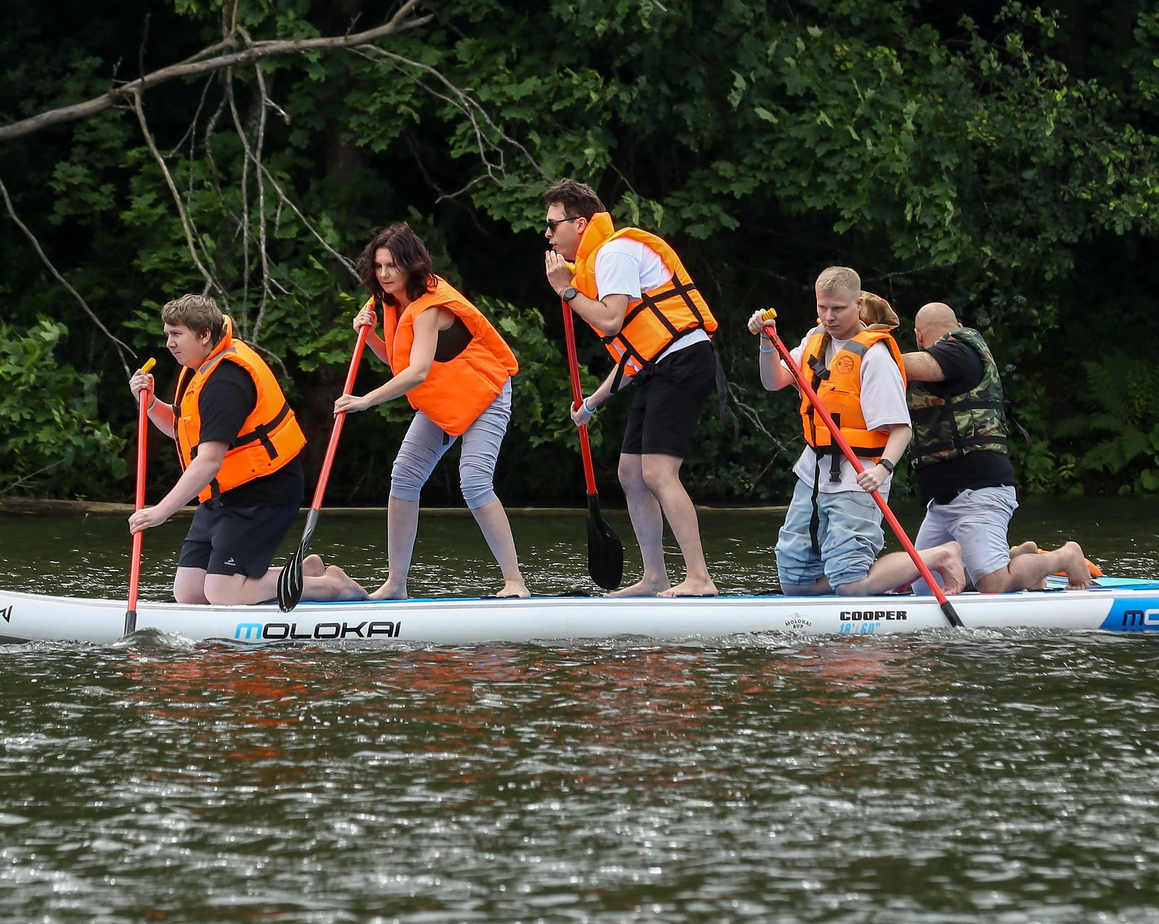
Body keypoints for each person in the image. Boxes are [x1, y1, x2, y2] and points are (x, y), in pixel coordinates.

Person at [541, 180, 720, 597]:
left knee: (657, 471)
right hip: (658, 365)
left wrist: (565, 290)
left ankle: (699, 578)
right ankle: (654, 577)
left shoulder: (614, 252)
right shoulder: (599, 261)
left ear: (581, 223)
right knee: (629, 473)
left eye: (553, 225)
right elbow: (634, 353)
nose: (548, 235)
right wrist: (591, 403)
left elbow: (610, 321)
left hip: (683, 360)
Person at [128, 294, 366, 606]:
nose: (169, 343)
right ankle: (304, 573)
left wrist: (160, 511)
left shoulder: (225, 382)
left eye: (176, 334)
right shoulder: (200, 368)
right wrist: (149, 404)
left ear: (204, 336)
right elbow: (180, 430)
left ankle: (330, 586)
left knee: (222, 592)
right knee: (189, 593)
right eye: (167, 334)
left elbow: (209, 461)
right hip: (223, 494)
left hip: (263, 491)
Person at [336, 223, 531, 600]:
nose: (385, 275)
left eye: (392, 265)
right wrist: (372, 334)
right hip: (445, 399)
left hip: (485, 394)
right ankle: (396, 584)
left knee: (474, 481)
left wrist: (364, 400)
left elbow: (418, 372)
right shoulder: (396, 304)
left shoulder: (430, 307)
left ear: (411, 265)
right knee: (404, 478)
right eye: (378, 267)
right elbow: (399, 362)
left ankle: (515, 583)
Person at [747, 270, 968, 598]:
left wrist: (883, 469)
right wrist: (767, 342)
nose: (829, 317)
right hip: (814, 474)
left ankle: (939, 555)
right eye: (823, 308)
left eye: (838, 309)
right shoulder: (815, 339)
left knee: (850, 583)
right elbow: (773, 380)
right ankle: (851, 588)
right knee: (794, 581)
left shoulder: (875, 357)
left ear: (859, 303)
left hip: (859, 476)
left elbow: (901, 430)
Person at [901, 302, 1095, 593]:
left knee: (993, 585)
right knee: (927, 588)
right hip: (941, 501)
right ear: (956, 323)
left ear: (918, 336)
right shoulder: (956, 351)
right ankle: (1018, 559)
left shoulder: (960, 352)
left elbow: (900, 364)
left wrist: (859, 357)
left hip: (977, 490)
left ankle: (1065, 556)